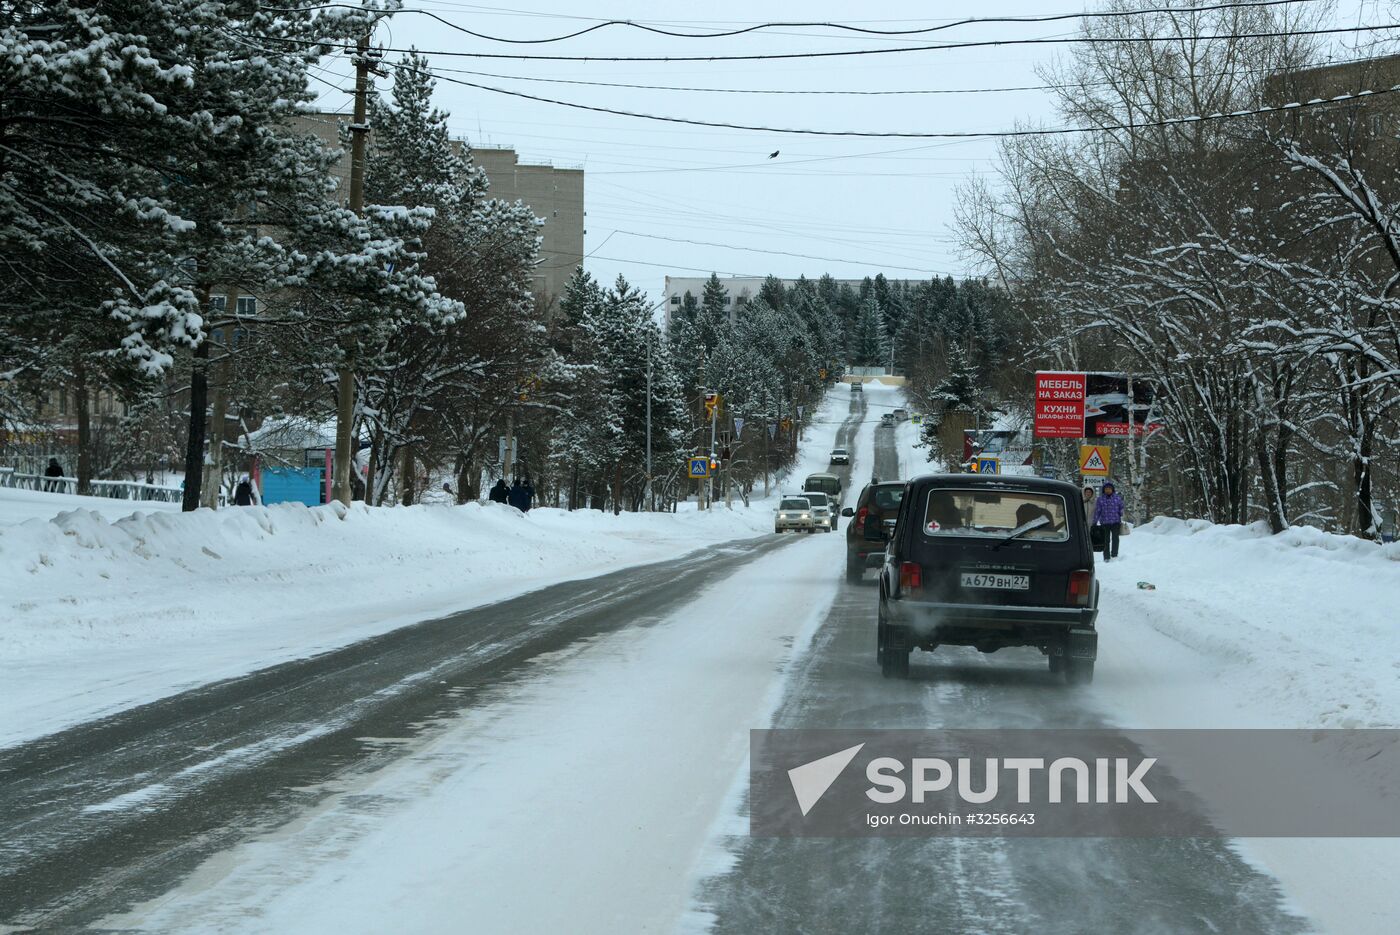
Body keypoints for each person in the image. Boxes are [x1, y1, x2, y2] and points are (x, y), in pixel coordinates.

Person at [1093, 481, 1125, 561]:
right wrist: (1095, 522)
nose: (1108, 490)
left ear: (1112, 489)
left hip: (1115, 522)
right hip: (1104, 523)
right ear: (1104, 490)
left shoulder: (1117, 498)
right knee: (1105, 540)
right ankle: (1106, 557)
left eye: (1109, 488)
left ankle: (1114, 555)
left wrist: (1121, 513)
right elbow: (1098, 511)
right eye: (1106, 488)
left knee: (1115, 539)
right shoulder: (1100, 499)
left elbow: (1121, 507)